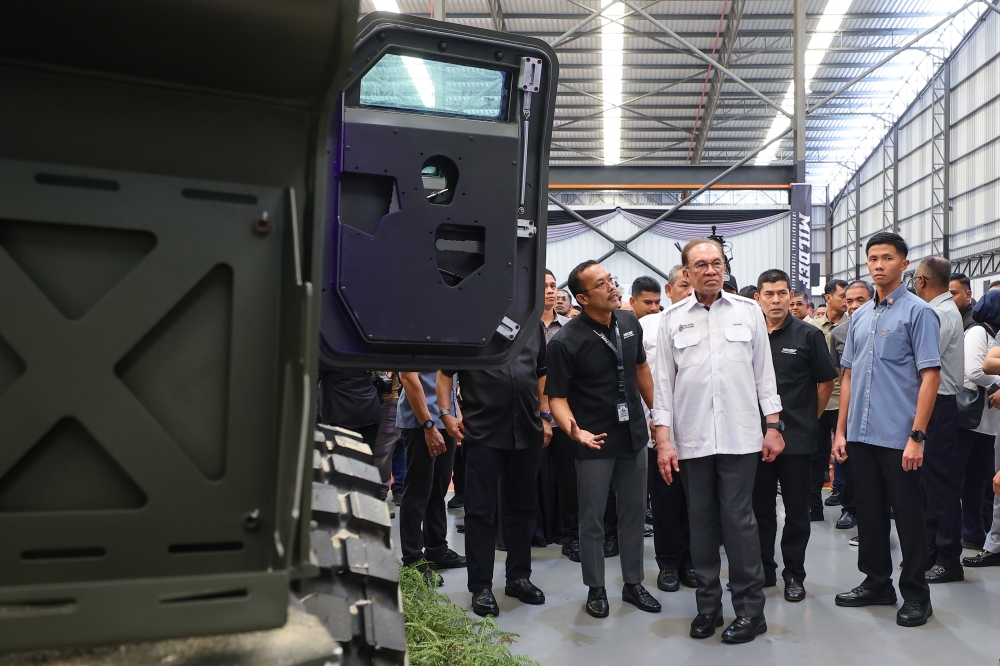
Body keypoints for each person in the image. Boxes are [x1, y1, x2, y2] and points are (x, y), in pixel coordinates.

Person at [652, 239, 784, 644]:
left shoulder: (748, 312)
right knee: (702, 523)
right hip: (692, 439)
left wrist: (774, 425)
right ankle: (708, 607)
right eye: (700, 265)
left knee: (740, 522)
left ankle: (750, 611)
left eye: (717, 263)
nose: (710, 270)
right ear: (686, 274)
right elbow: (663, 386)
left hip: (742, 436)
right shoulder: (671, 319)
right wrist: (663, 441)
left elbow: (765, 374)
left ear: (724, 268)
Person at [832, 231, 940, 628]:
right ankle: (876, 582)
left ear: (904, 263)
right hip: (860, 436)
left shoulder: (918, 313)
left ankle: (916, 594)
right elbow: (848, 377)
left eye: (887, 258)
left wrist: (917, 435)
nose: (879, 265)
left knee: (908, 516)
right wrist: (840, 432)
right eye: (873, 258)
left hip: (899, 437)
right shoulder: (858, 317)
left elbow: (930, 376)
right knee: (871, 513)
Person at [546, 260, 661, 619]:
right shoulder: (566, 341)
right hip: (593, 440)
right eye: (601, 284)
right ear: (581, 297)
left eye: (611, 279)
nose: (612, 287)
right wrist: (573, 430)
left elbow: (641, 367)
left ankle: (633, 584)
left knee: (632, 514)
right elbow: (556, 397)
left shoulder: (629, 322)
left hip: (633, 436)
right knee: (592, 518)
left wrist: (658, 414)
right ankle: (595, 589)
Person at [436, 320, 551, 617]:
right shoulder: (469, 323)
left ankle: (518, 577)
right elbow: (445, 374)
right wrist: (446, 414)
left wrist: (544, 416)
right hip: (483, 432)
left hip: (526, 430)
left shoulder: (532, 324)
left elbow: (541, 373)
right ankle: (481, 586)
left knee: (523, 509)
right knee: (480, 512)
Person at [752, 269, 838, 602]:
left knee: (797, 511)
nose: (776, 300)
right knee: (759, 510)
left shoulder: (807, 335)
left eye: (782, 293)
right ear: (758, 298)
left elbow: (826, 381)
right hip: (754, 439)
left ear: (791, 297)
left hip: (798, 441)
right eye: (769, 294)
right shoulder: (748, 335)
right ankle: (763, 569)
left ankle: (794, 575)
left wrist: (808, 420)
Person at [636, 268, 697, 593]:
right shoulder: (647, 326)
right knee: (665, 501)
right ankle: (669, 564)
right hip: (658, 431)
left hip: (699, 432)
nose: (689, 292)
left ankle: (691, 561)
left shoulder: (708, 325)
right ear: (669, 289)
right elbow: (637, 374)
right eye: (684, 285)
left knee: (696, 502)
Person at [913, 256, 966, 584]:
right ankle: (932, 551)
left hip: (939, 406)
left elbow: (923, 361)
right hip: (937, 406)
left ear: (921, 281)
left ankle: (948, 558)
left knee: (940, 485)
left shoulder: (937, 314)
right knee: (929, 484)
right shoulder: (945, 311)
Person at [398, 372, 466, 576]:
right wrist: (428, 425)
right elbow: (409, 379)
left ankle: (436, 548)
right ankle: (412, 558)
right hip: (421, 421)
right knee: (417, 491)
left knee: (439, 488)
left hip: (446, 419)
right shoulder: (412, 339)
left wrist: (456, 412)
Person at [829, 280, 874, 547]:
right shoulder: (841, 333)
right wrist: (841, 428)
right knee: (851, 464)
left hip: (883, 412)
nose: (854, 306)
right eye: (849, 301)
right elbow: (842, 376)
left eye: (861, 300)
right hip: (851, 408)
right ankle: (851, 509)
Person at [956, 291, 1000, 555]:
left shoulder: (993, 336)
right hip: (971, 418)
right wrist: (998, 384)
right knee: (959, 476)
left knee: (977, 480)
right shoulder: (977, 332)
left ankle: (973, 533)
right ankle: (958, 530)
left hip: (986, 421)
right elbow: (973, 370)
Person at [543, 271, 579, 561]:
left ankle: (570, 534)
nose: (550, 291)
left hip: (565, 418)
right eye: (543, 286)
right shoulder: (520, 330)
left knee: (569, 480)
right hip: (529, 416)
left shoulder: (570, 328)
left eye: (553, 286)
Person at [810, 280, 850, 524]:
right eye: (843, 296)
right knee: (816, 454)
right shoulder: (812, 329)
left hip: (845, 399)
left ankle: (847, 504)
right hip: (820, 399)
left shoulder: (853, 326)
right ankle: (813, 504)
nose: (847, 302)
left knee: (847, 454)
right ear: (828, 298)